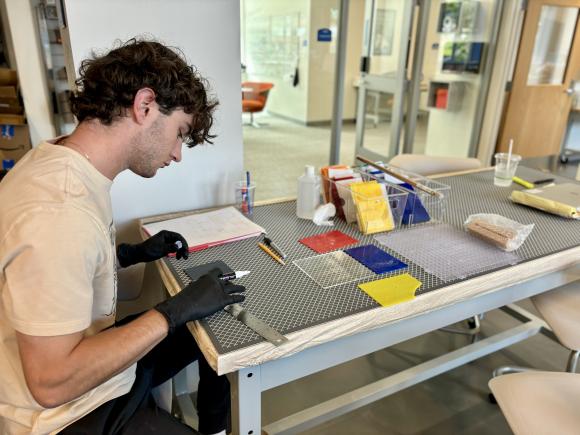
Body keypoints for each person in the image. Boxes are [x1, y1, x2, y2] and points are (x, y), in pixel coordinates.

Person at [0, 38, 245, 434]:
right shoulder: (58, 210)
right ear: (145, 105)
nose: (178, 153)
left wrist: (131, 254)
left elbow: (64, 273)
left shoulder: (62, 162)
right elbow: (50, 381)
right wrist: (172, 312)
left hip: (94, 376)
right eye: (179, 133)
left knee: (207, 334)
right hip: (67, 414)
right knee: (187, 321)